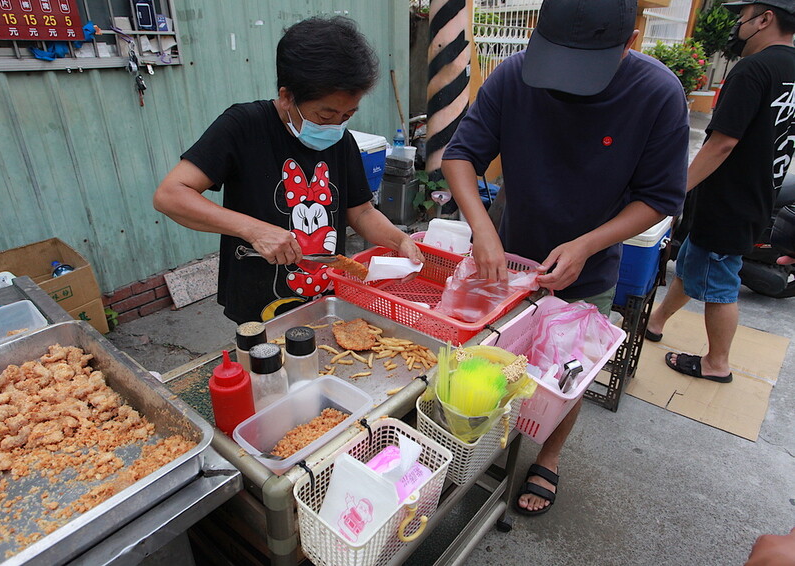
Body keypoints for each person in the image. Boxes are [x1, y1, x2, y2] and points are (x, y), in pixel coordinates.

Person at [442, 0, 688, 515]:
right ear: (535, 34)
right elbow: (461, 155)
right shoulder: (513, 76)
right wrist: (482, 229)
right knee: (491, 359)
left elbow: (661, 197)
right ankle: (487, 437)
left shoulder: (658, 94)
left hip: (588, 262)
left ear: (632, 41)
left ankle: (548, 456)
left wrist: (586, 245)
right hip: (506, 255)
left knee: (563, 376)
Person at [154, 16, 422, 323]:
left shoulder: (342, 139)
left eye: (347, 114)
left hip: (327, 299)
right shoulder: (243, 126)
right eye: (325, 115)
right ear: (286, 96)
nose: (336, 125)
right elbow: (170, 195)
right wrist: (254, 230)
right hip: (260, 305)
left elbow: (360, 212)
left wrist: (399, 240)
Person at [647, 0, 795, 383]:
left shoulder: (753, 69)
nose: (737, 26)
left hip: (732, 200)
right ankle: (656, 320)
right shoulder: (792, 69)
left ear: (765, 19)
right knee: (696, 261)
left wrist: (673, 190)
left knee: (721, 284)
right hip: (760, 193)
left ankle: (717, 363)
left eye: (743, 18)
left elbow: (721, 143)